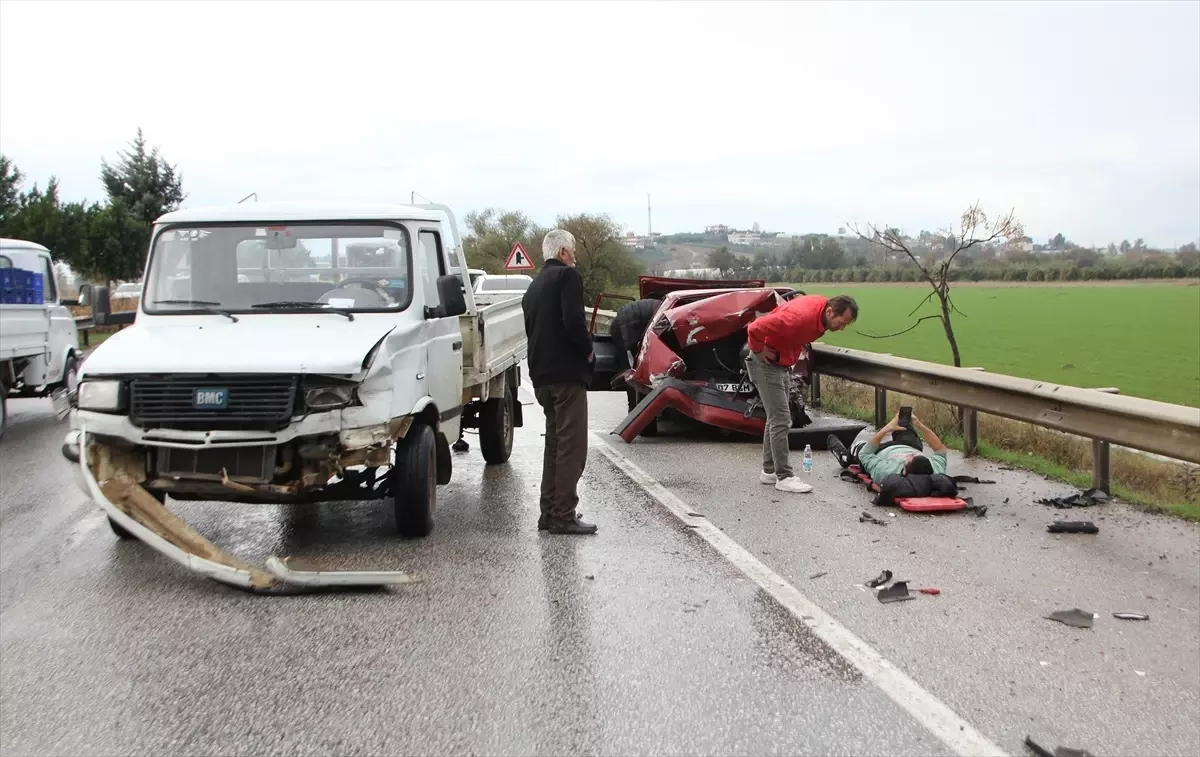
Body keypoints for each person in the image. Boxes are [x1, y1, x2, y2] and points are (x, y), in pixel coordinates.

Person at [522, 229, 597, 535]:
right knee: (572, 447)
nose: (575, 258)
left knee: (554, 445)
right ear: (563, 252)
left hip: (542, 376)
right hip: (567, 375)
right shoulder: (567, 278)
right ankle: (564, 514)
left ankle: (548, 513)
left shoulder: (534, 286)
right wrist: (588, 350)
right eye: (574, 252)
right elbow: (573, 321)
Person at [744, 293, 858, 493]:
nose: (841, 328)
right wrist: (758, 349)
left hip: (780, 364)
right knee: (780, 419)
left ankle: (769, 471)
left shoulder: (821, 310)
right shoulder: (800, 318)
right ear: (830, 311)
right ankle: (784, 476)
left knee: (776, 418)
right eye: (841, 323)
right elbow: (755, 327)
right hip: (765, 365)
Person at [829, 412, 949, 482]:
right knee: (903, 422)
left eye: (910, 458)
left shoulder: (886, 472)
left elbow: (865, 454)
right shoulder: (936, 470)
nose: (909, 456)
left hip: (881, 451)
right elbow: (939, 449)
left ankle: (843, 456)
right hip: (908, 445)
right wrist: (919, 424)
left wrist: (887, 428)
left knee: (857, 447)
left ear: (904, 469)